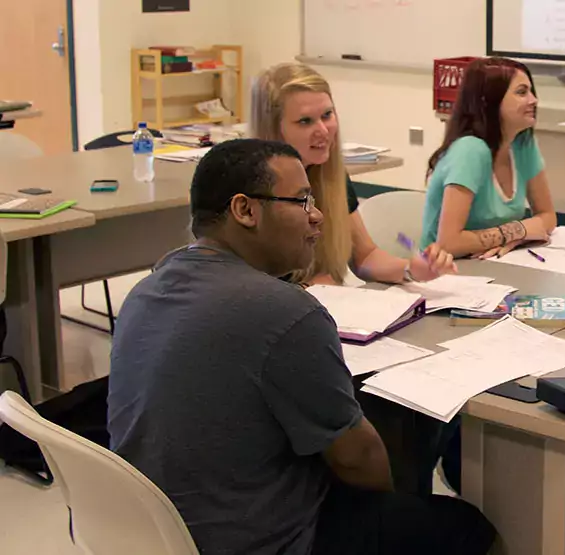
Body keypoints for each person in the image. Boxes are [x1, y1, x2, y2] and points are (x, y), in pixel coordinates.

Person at [107, 139, 495, 555]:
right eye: (301, 201)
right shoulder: (283, 310)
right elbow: (356, 459)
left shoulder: (146, 289)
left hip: (151, 532)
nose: (318, 216)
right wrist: (389, 506)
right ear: (245, 210)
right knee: (466, 526)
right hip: (257, 541)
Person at [251, 62, 456, 285]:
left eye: (327, 115)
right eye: (305, 121)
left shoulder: (331, 177)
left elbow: (365, 256)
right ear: (273, 128)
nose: (323, 130)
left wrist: (411, 269)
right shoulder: (252, 190)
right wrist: (308, 288)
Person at [422, 57, 557, 259]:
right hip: (447, 272)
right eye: (521, 92)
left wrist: (517, 234)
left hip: (494, 262)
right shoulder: (470, 150)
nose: (533, 100)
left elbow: (547, 217)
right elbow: (448, 243)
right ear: (489, 101)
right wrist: (520, 230)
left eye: (531, 91)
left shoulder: (523, 143)